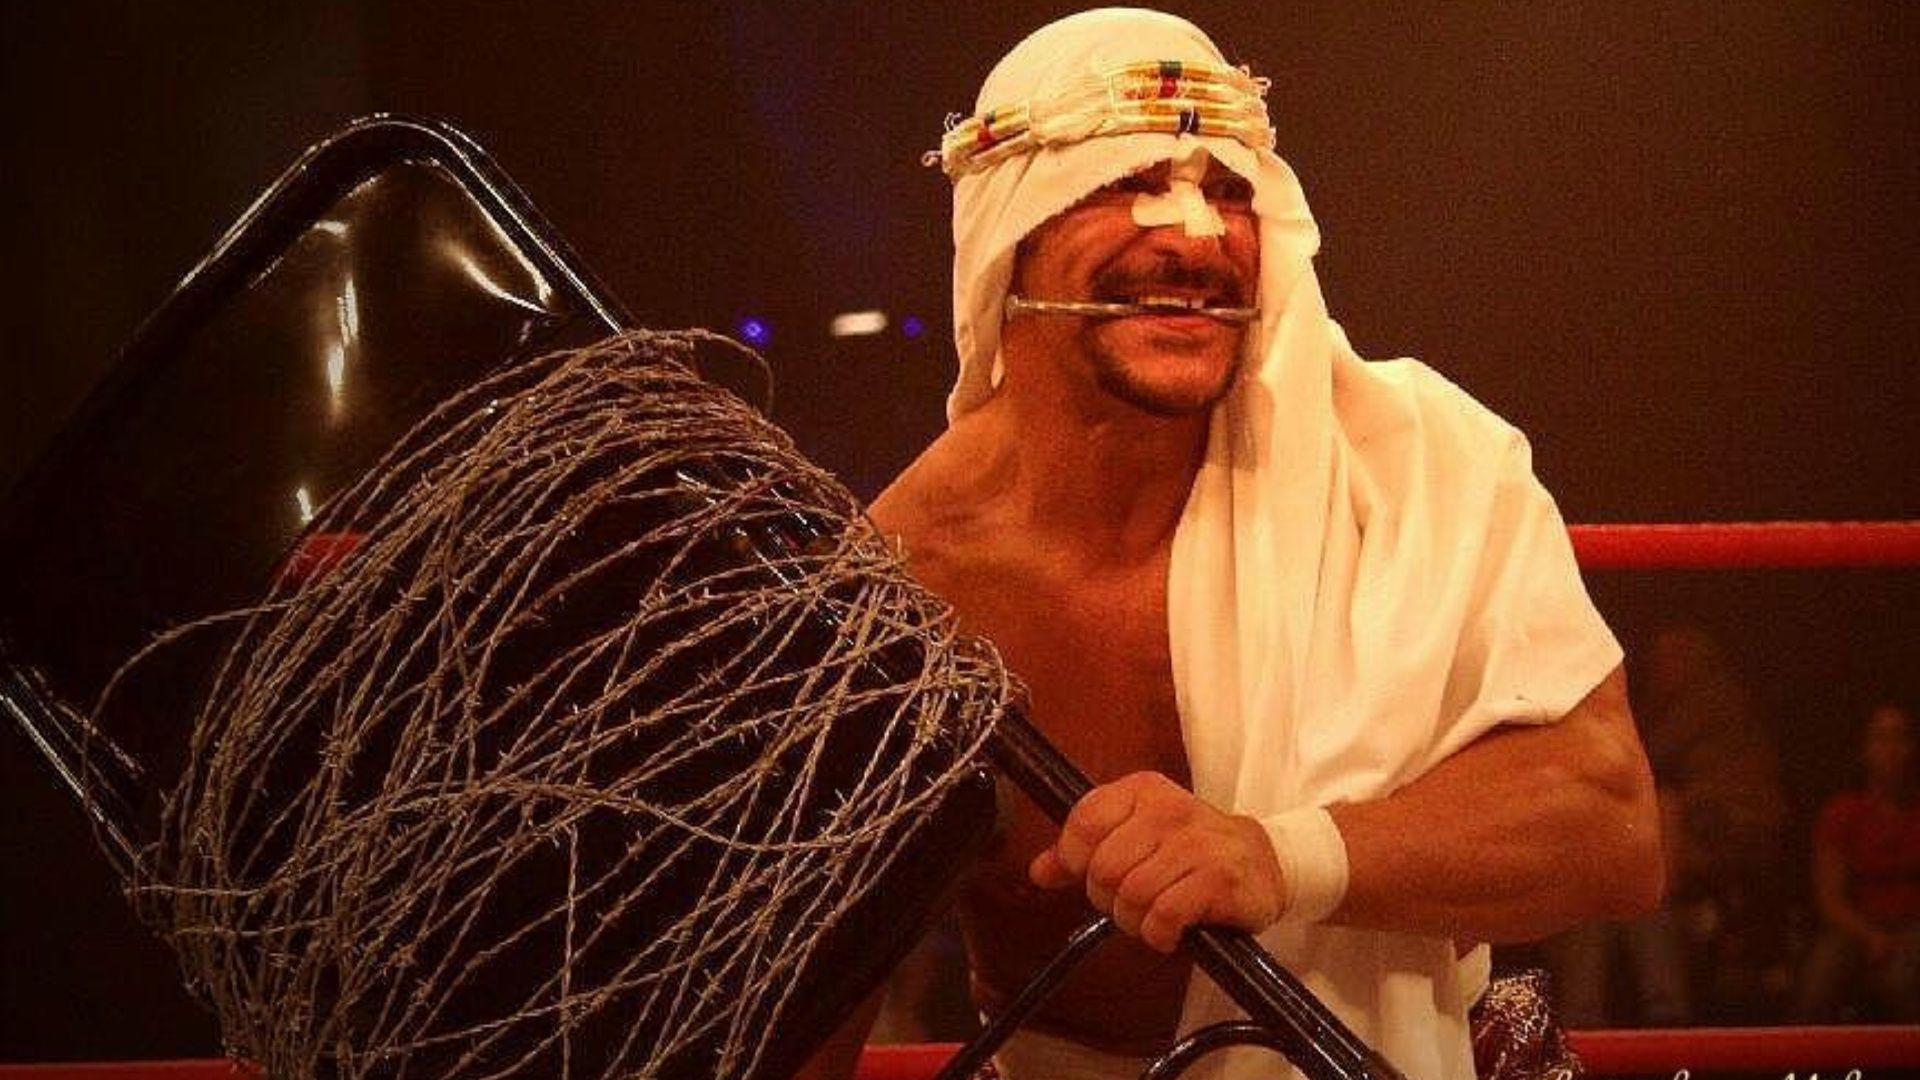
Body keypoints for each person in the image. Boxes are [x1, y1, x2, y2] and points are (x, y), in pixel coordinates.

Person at [803, 9, 1663, 1079]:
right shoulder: (899, 589)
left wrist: (1282, 855)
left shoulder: (1415, 459)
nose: (1195, 234)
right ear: (1007, 235)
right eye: (1128, 180)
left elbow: (1610, 824)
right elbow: (810, 998)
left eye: (1227, 190)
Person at [1792, 702, 1920, 1021]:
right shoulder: (1842, 813)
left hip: (1914, 929)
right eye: (1881, 738)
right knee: (1817, 985)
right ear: (1865, 748)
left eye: (1900, 738)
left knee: (1901, 981)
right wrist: (1871, 936)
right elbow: (1830, 899)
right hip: (1854, 927)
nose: (1890, 749)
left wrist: (1903, 941)